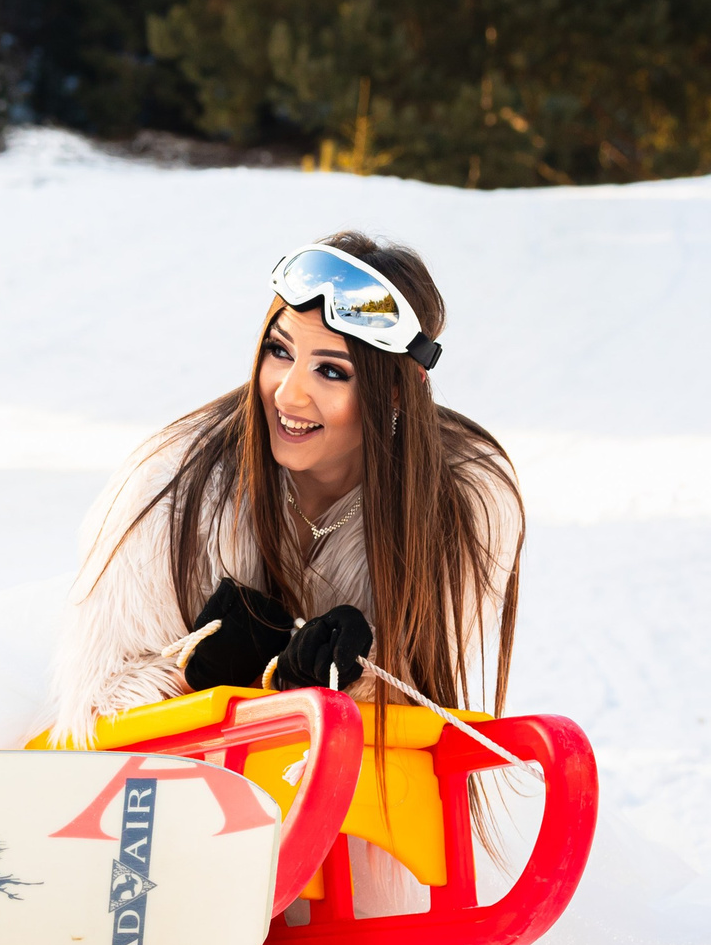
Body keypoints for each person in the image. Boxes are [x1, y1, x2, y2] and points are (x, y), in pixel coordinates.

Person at [44, 231, 522, 742]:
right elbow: (95, 707)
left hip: (354, 797)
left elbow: (425, 699)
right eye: (279, 350)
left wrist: (346, 680)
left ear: (399, 392)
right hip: (174, 794)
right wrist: (205, 679)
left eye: (332, 371)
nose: (289, 393)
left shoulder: (459, 499)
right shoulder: (177, 486)